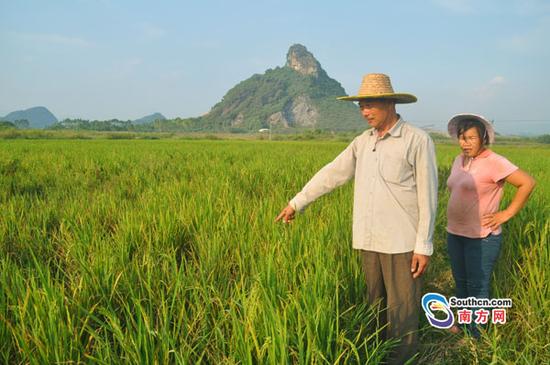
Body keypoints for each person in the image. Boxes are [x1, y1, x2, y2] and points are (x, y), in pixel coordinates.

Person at [276, 73, 438, 364]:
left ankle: (401, 360)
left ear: (389, 103)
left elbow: (428, 195)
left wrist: (423, 245)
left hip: (402, 242)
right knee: (374, 305)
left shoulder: (416, 140)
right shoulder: (363, 142)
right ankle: (376, 356)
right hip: (369, 238)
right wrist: (297, 202)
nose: (365, 111)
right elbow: (331, 174)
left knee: (402, 309)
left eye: (370, 105)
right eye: (361, 105)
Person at [445, 113, 536, 337]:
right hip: (455, 233)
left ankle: (476, 336)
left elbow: (527, 183)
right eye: (461, 137)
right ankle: (466, 325)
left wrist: (506, 213)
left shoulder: (495, 162)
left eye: (470, 138)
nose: (464, 143)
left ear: (483, 138)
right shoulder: (459, 160)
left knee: (478, 286)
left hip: (483, 237)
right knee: (462, 283)